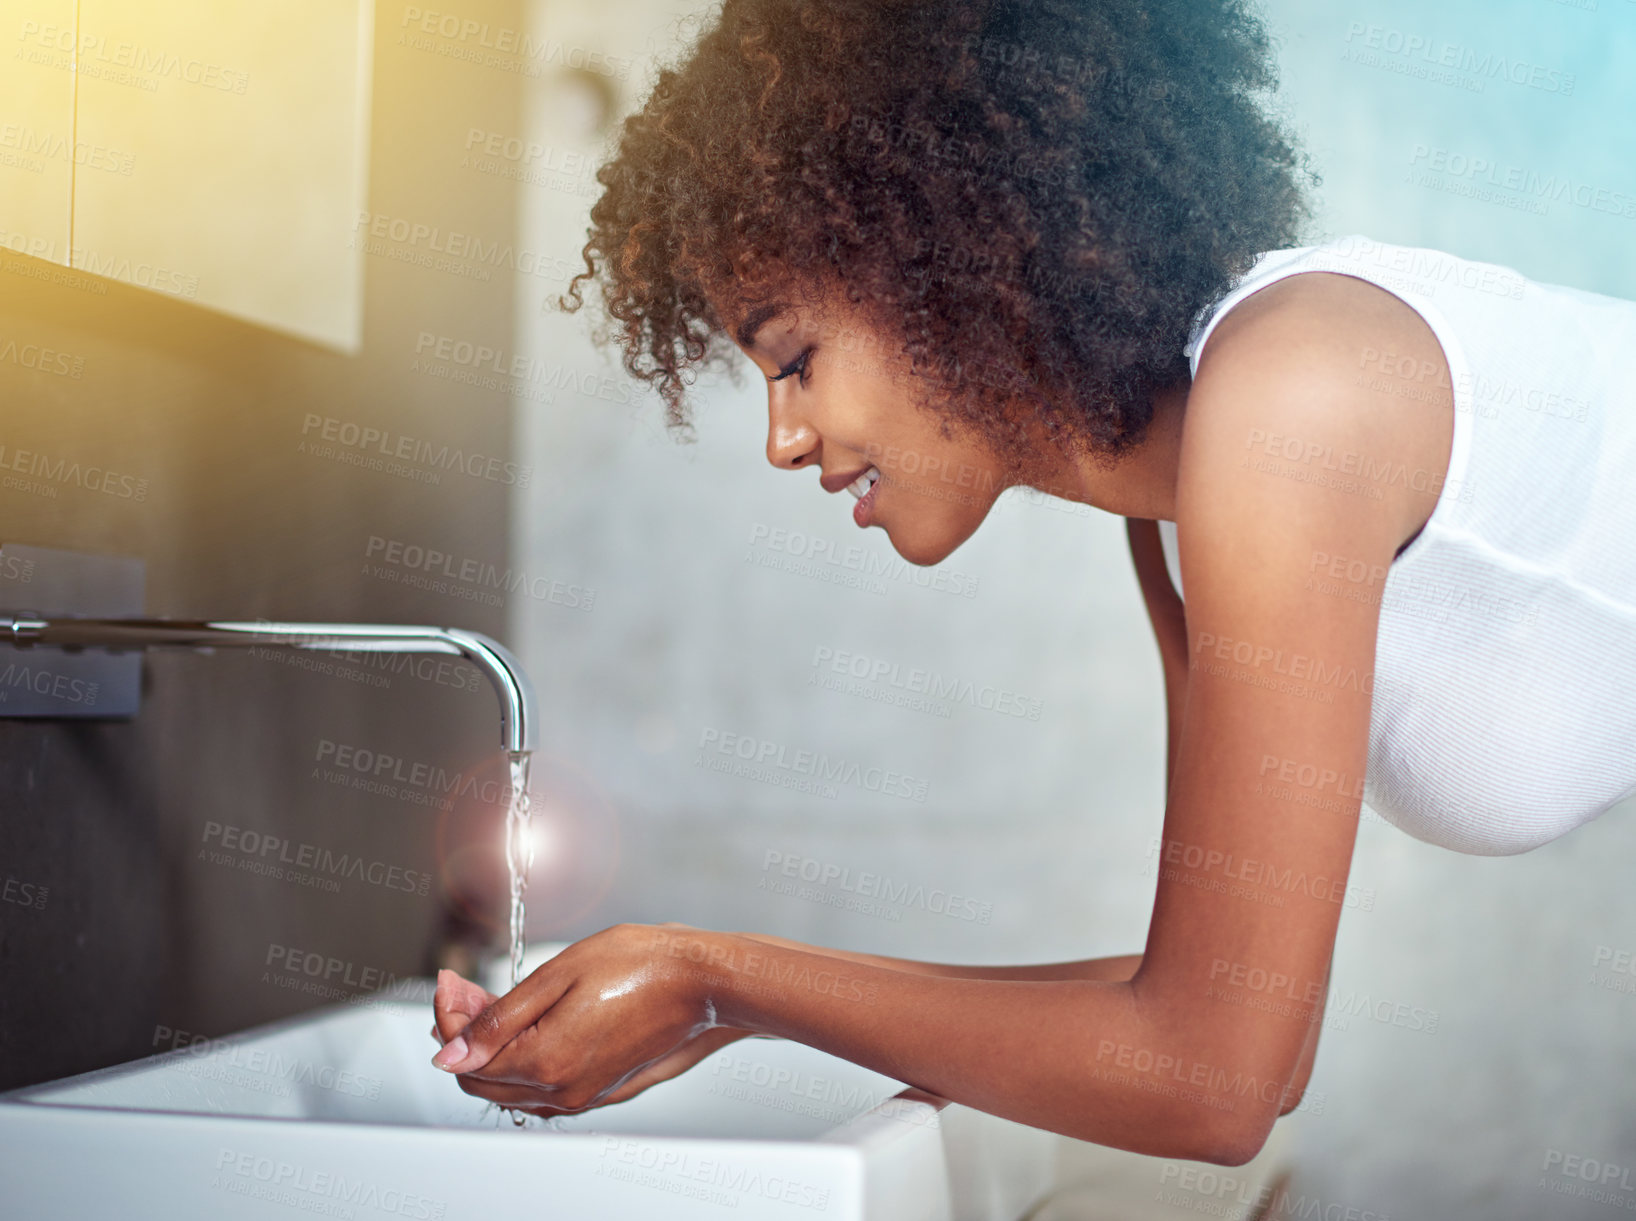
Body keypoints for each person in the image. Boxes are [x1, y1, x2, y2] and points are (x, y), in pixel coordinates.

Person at [425, 0, 1636, 1165]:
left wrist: (707, 977)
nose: (781, 439)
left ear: (950, 256)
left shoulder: (1291, 402)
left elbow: (1209, 1081)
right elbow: (1250, 1042)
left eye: (794, 359)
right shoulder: (1176, 518)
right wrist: (719, 1007)